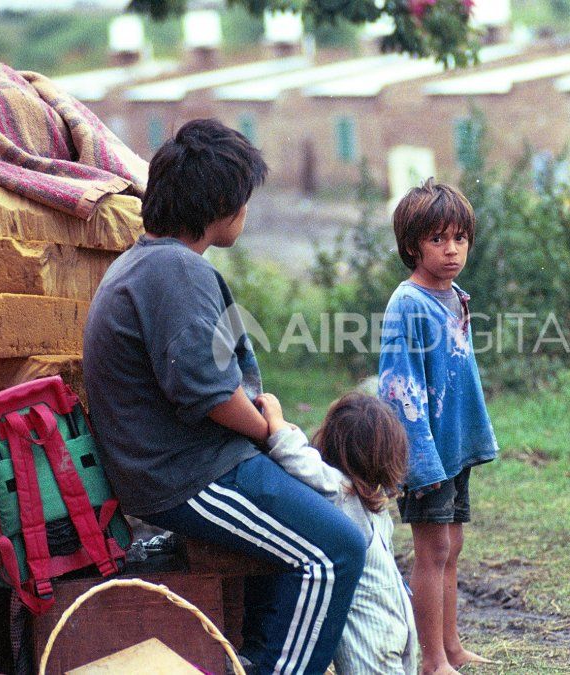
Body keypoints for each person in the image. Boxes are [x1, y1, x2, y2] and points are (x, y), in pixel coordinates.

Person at [82, 118, 366, 675]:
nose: (246, 212)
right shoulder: (174, 271)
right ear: (219, 206)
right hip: (186, 474)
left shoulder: (152, 263)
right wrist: (272, 430)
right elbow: (206, 393)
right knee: (335, 552)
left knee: (303, 542)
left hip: (193, 464)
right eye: (243, 200)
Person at [378, 178, 499, 675]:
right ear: (412, 245)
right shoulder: (408, 304)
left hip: (453, 446)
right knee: (431, 551)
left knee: (453, 546)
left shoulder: (454, 297)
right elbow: (397, 388)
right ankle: (430, 660)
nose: (451, 251)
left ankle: (451, 646)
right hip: (424, 453)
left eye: (460, 239)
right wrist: (418, 462)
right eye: (437, 240)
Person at [256, 391, 419, 675]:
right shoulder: (375, 508)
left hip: (370, 639)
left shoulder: (340, 492)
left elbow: (297, 459)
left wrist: (277, 423)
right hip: (397, 626)